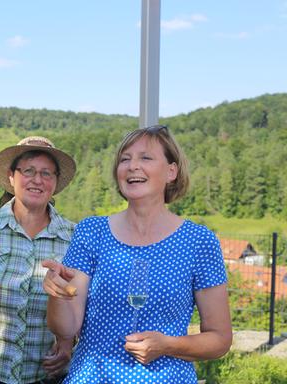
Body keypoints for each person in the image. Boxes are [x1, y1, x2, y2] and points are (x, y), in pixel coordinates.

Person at [43, 125, 232, 383]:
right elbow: (66, 327)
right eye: (124, 159)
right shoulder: (91, 231)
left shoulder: (199, 242)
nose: (132, 166)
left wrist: (167, 345)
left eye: (145, 157)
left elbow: (219, 339)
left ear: (171, 171)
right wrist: (59, 295)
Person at [0, 136, 77, 384]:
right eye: (28, 171)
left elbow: (85, 304)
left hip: (49, 377)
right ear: (11, 177)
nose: (37, 180)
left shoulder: (74, 238)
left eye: (47, 173)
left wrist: (68, 342)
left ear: (56, 182)